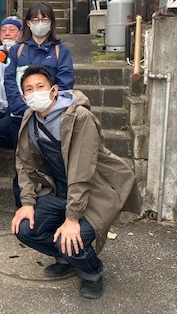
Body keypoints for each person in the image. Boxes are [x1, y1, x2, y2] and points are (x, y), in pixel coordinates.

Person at [10, 66, 141, 299]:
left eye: (40, 87)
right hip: (61, 189)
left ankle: (92, 271)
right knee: (25, 229)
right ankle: (67, 257)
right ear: (23, 97)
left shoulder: (80, 118)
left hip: (94, 192)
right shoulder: (30, 119)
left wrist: (72, 218)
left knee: (68, 239)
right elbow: (25, 163)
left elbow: (82, 171)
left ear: (54, 90)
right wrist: (27, 202)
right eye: (29, 89)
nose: (35, 93)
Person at [4, 2, 74, 206]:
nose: (40, 23)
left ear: (51, 23)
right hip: (21, 119)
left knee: (54, 166)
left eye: (45, 19)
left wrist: (47, 108)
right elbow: (10, 81)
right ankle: (23, 210)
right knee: (23, 166)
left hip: (51, 120)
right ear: (28, 23)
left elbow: (66, 82)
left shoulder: (61, 51)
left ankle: (53, 211)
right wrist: (24, 108)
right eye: (35, 19)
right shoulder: (18, 50)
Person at [0, 16, 22, 150]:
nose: (7, 33)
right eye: (3, 30)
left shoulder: (26, 52)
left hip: (18, 108)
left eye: (12, 30)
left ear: (21, 33)